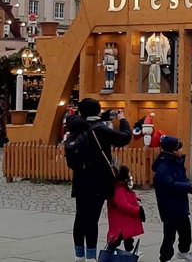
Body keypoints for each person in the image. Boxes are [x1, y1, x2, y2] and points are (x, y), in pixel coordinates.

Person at [67, 98, 132, 262]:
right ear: (97, 111)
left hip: (81, 179)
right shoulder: (100, 130)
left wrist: (103, 116)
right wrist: (123, 119)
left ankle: (79, 254)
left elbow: (88, 120)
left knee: (80, 217)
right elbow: (124, 138)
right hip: (98, 180)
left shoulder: (77, 126)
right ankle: (91, 256)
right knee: (92, 219)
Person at [152, 135, 192, 262]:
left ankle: (183, 251)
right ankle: (165, 258)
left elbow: (182, 179)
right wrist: (189, 187)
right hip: (168, 206)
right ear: (173, 150)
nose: (182, 150)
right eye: (179, 148)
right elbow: (170, 184)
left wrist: (190, 187)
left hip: (179, 204)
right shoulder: (163, 167)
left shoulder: (177, 162)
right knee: (169, 235)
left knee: (186, 231)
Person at [106, 165, 144, 254]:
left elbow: (128, 196)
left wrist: (136, 199)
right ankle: (110, 251)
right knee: (118, 237)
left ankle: (129, 250)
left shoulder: (121, 187)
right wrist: (136, 210)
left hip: (124, 220)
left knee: (128, 237)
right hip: (121, 221)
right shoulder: (119, 189)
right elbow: (123, 205)